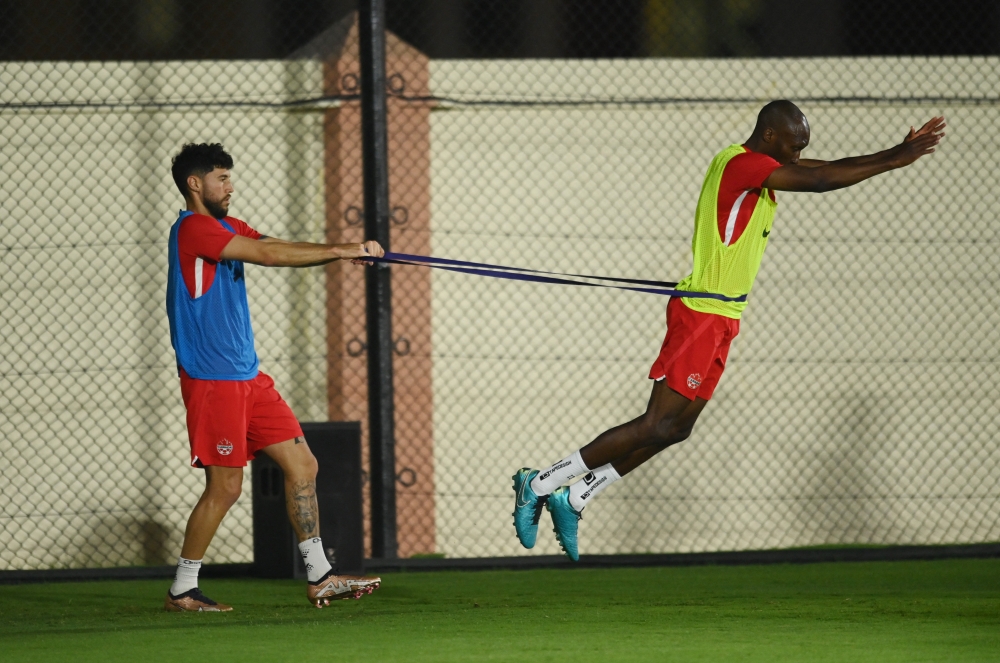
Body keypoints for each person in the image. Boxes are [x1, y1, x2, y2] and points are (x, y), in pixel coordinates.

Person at [512, 101, 946, 560]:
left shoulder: (765, 166)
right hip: (701, 314)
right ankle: (540, 482)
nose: (800, 156)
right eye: (795, 146)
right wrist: (895, 160)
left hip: (723, 318)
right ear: (771, 136)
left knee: (676, 429)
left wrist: (895, 152)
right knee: (656, 422)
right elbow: (820, 180)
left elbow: (828, 167)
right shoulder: (741, 165)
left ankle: (575, 497)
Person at [164, 143, 384, 611]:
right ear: (195, 184)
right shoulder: (193, 230)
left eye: (230, 177)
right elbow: (265, 255)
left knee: (303, 466)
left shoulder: (227, 226)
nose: (230, 186)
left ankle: (319, 576)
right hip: (212, 378)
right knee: (225, 488)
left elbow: (278, 245)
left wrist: (342, 253)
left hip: (248, 376)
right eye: (222, 178)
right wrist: (343, 251)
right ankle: (183, 588)